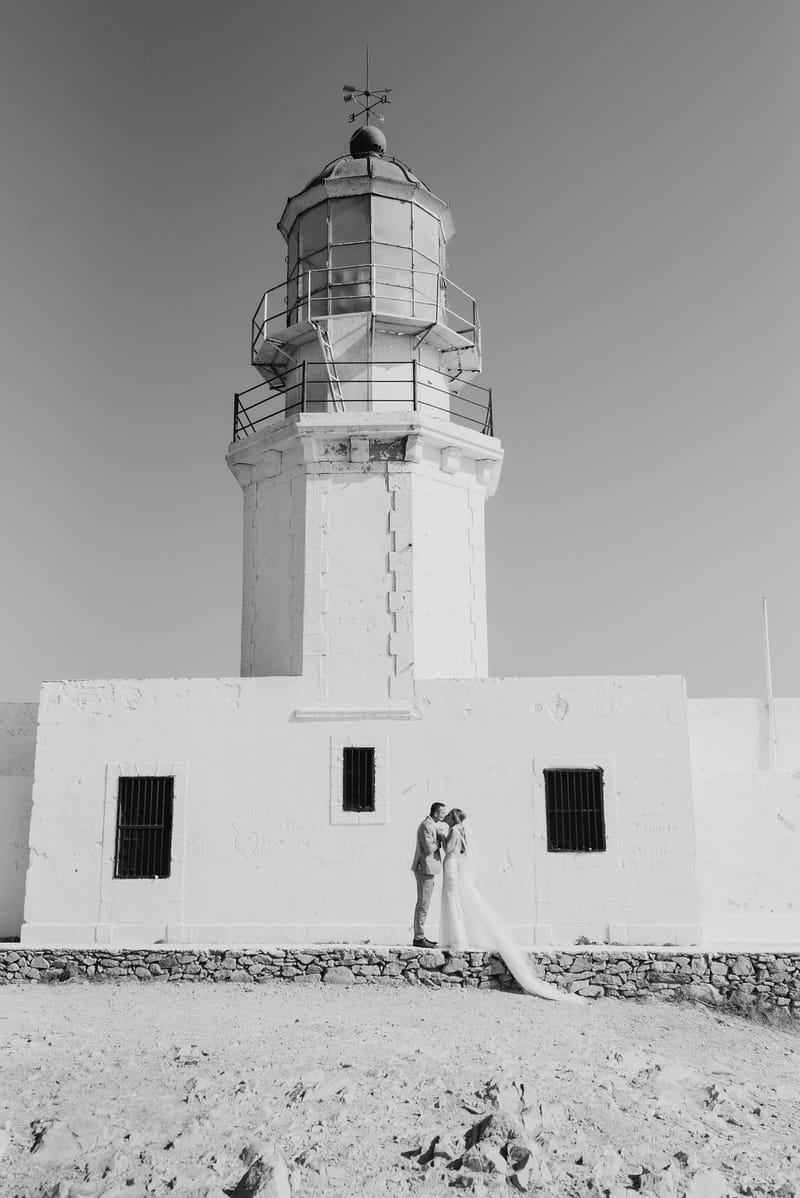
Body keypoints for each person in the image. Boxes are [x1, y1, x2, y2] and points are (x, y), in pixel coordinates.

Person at [438, 808, 585, 1005]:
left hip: (451, 865)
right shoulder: (460, 829)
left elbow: (449, 849)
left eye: (448, 814)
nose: (445, 816)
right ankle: (457, 937)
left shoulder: (454, 830)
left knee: (453, 900)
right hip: (453, 865)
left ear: (452, 817)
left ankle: (457, 939)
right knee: (454, 900)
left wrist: (441, 837)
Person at [411, 802, 447, 948]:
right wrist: (439, 840)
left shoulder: (430, 825)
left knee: (424, 902)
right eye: (443, 813)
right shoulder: (426, 825)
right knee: (423, 903)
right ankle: (419, 937)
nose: (444, 816)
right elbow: (428, 848)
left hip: (428, 869)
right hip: (424, 868)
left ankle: (420, 935)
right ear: (436, 813)